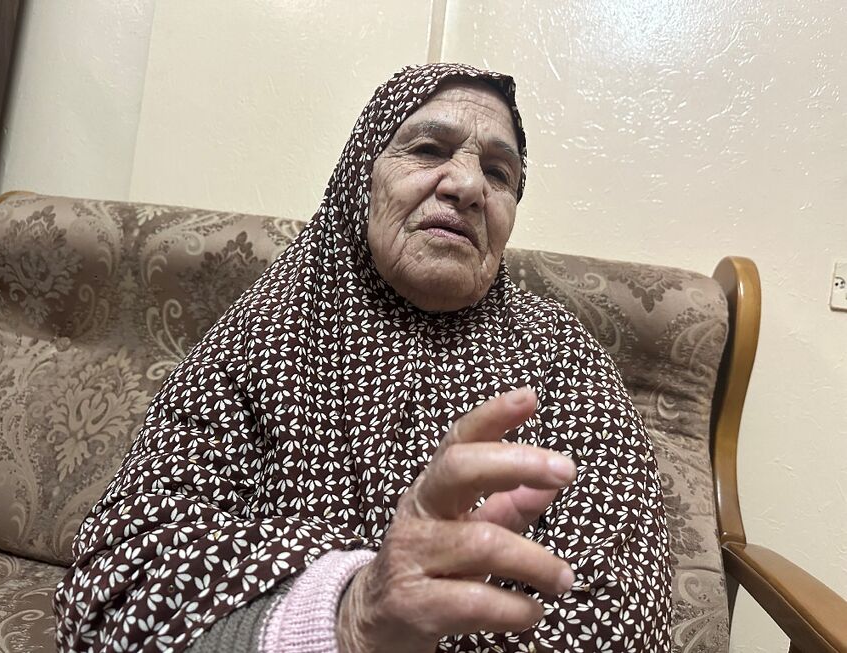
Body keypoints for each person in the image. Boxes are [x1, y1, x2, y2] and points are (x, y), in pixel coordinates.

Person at [54, 63, 671, 652]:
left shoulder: (563, 360)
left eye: (500, 174)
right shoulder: (267, 328)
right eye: (429, 150)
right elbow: (115, 575)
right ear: (361, 177)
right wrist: (352, 613)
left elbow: (627, 610)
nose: (468, 186)